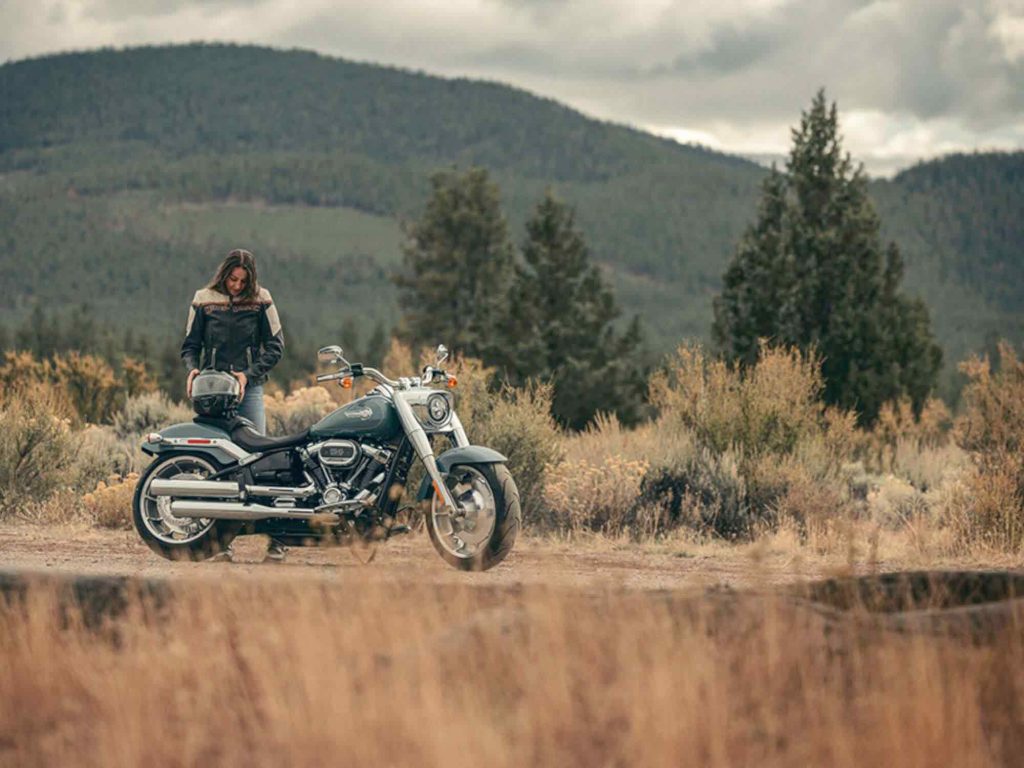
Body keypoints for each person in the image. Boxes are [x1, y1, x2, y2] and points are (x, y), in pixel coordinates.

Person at [181, 248, 288, 563]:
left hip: (248, 388)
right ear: (224, 274)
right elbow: (190, 345)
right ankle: (220, 543)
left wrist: (247, 375)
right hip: (213, 390)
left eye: (243, 281)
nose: (237, 285)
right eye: (233, 278)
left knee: (261, 459)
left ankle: (277, 540)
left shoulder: (262, 299)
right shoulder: (203, 298)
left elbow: (276, 346)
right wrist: (193, 370)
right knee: (218, 462)